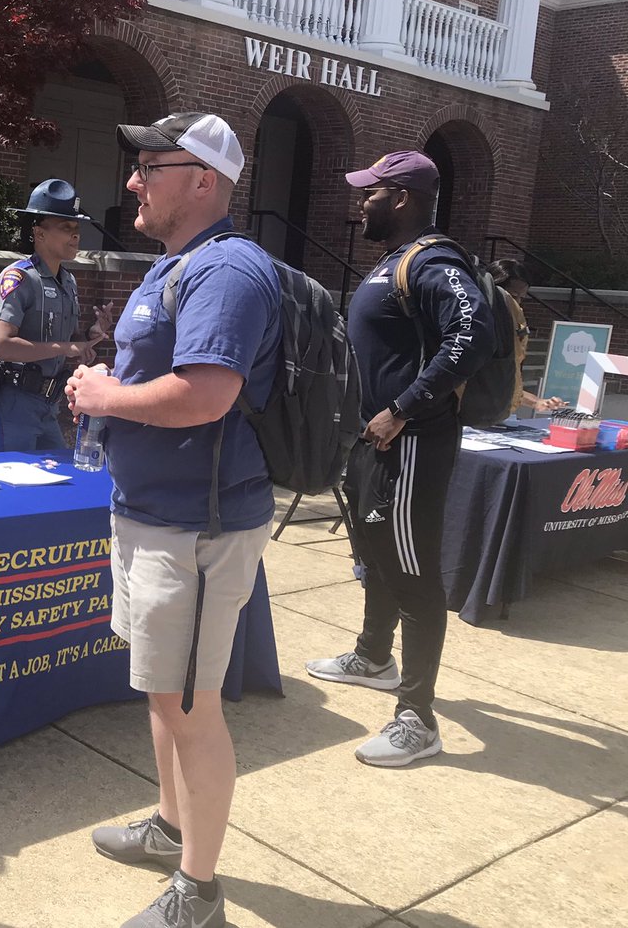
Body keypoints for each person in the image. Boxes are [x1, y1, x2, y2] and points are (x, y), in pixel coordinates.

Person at [67, 113, 282, 928]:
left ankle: (199, 892)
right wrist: (108, 384)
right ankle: (169, 828)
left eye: (148, 167)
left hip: (197, 525)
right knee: (165, 694)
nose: (132, 181)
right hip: (155, 515)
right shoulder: (175, 266)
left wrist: (103, 396)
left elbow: (206, 394)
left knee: (191, 706)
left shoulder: (224, 271)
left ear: (202, 180)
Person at [306, 151, 495, 767]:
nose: (363, 201)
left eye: (373, 192)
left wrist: (404, 408)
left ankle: (417, 716)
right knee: (378, 558)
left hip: (410, 446)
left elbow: (474, 336)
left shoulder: (433, 261)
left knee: (414, 577)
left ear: (404, 198)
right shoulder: (393, 264)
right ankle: (374, 656)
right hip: (374, 445)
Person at [0, 178, 111, 451]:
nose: (75, 236)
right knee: (14, 488)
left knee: (60, 482)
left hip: (48, 404)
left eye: (77, 229)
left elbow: (66, 340)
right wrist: (66, 347)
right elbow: (0, 346)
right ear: (39, 234)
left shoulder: (68, 281)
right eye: (66, 228)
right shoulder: (18, 277)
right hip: (14, 404)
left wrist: (90, 337)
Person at [490, 258, 566, 414]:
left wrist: (538, 402)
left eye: (521, 298)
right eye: (513, 296)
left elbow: (504, 381)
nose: (517, 304)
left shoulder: (514, 326)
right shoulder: (473, 325)